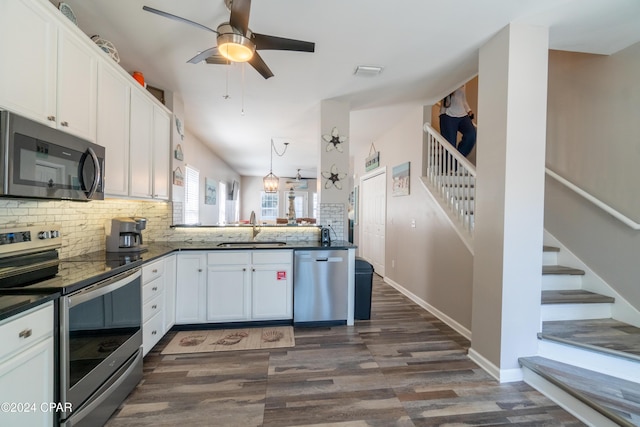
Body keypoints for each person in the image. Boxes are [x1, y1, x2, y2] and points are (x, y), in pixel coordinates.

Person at [439, 85, 476, 158]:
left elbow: (463, 99)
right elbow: (442, 99)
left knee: (471, 135)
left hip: (462, 114)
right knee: (450, 145)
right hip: (447, 114)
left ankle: (457, 159)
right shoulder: (448, 81)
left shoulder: (463, 81)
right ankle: (449, 166)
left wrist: (469, 110)